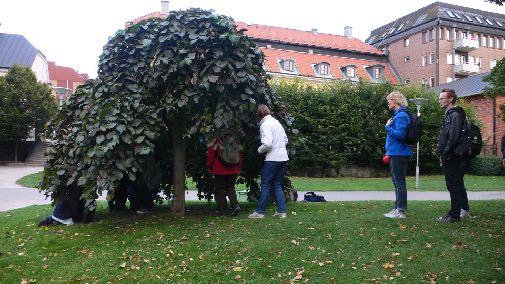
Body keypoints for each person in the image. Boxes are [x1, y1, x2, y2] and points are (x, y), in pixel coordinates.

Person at [249, 104, 289, 219]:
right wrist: (279, 146)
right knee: (277, 184)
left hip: (272, 159)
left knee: (266, 184)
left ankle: (260, 212)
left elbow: (267, 143)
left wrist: (259, 150)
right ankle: (282, 212)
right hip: (283, 157)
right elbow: (285, 139)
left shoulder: (265, 125)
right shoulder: (277, 123)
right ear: (268, 112)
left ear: (258, 115)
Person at [436, 88, 470, 223]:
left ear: (450, 99)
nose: (440, 101)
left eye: (442, 98)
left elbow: (453, 137)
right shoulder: (451, 114)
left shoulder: (454, 115)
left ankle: (454, 215)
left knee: (453, 185)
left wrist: (445, 155)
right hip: (454, 154)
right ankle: (461, 210)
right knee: (457, 184)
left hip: (454, 156)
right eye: (439, 98)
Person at [383, 91, 413, 219]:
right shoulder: (398, 115)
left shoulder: (401, 116)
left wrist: (387, 127)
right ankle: (397, 209)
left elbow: (400, 136)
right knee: (397, 182)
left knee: (399, 182)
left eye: (389, 100)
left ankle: (400, 211)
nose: (388, 103)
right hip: (395, 152)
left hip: (399, 153)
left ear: (395, 100)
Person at [206, 130, 243, 216]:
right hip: (233, 168)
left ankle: (222, 210)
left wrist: (209, 166)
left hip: (219, 169)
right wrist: (239, 167)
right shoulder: (235, 139)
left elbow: (211, 154)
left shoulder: (216, 139)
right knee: (231, 187)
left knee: (220, 189)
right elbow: (240, 154)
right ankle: (235, 206)